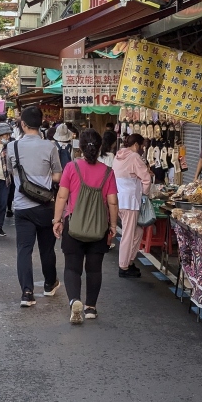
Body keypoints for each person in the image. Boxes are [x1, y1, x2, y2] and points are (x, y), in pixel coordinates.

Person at [53, 128, 119, 323]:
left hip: (74, 225)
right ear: (99, 148)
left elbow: (62, 196)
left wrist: (57, 220)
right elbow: (113, 202)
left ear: (80, 147)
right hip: (99, 228)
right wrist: (113, 226)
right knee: (94, 269)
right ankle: (90, 307)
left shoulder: (71, 167)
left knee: (72, 268)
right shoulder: (108, 172)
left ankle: (74, 300)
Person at [6, 104, 62, 307]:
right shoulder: (50, 146)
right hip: (45, 205)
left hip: (22, 206)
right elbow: (57, 176)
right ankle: (49, 284)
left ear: (22, 124)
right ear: (41, 124)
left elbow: (12, 172)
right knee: (47, 249)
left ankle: (27, 293)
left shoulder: (12, 147)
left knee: (24, 250)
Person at [113, 133, 152, 278]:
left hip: (118, 199)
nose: (142, 149)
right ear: (136, 145)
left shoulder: (118, 156)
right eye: (142, 146)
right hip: (130, 201)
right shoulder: (135, 157)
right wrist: (145, 196)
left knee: (137, 231)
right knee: (128, 235)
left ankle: (129, 261)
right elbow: (146, 179)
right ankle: (123, 266)